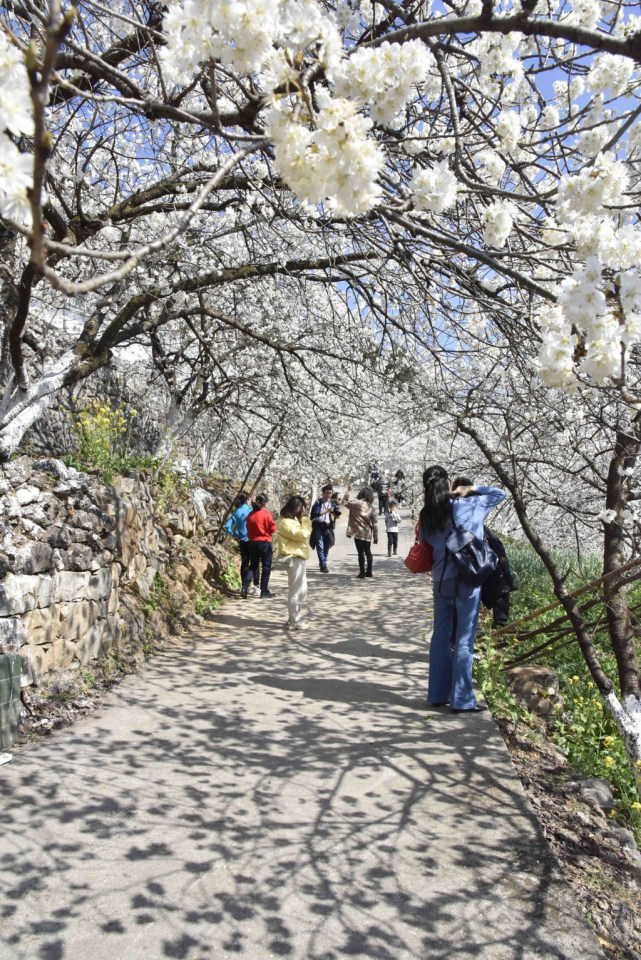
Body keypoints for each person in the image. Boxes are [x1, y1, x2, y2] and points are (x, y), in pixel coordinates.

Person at [419, 466, 506, 712]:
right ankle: (462, 699)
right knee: (464, 640)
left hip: (441, 581)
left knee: (440, 637)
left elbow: (425, 543)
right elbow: (501, 494)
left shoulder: (426, 515)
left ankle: (437, 694)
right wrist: (471, 489)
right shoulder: (469, 505)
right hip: (468, 579)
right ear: (448, 482)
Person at [452, 476, 517, 628]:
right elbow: (500, 494)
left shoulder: (449, 505)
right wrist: (475, 488)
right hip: (477, 561)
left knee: (456, 611)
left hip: (453, 563)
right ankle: (499, 623)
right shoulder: (477, 503)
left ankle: (453, 640)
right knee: (468, 620)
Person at [276, 496, 312, 631]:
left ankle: (295, 616)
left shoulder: (292, 520)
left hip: (299, 557)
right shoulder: (285, 522)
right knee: (296, 590)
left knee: (302, 589)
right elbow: (303, 534)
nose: (304, 511)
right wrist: (306, 518)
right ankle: (293, 620)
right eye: (303, 508)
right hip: (293, 557)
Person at [242, 493, 277, 599]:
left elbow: (248, 528)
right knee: (266, 567)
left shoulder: (250, 515)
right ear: (265, 503)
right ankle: (264, 591)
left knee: (253, 565)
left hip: (252, 543)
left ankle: (245, 585)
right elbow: (273, 528)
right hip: (265, 543)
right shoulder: (266, 513)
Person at [225, 492, 259, 596]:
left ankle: (245, 586)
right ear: (247, 500)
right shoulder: (251, 510)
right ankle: (256, 586)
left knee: (244, 563)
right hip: (253, 540)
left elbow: (227, 526)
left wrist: (235, 535)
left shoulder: (236, 512)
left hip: (243, 541)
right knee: (255, 563)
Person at [345, 487, 378, 579]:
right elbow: (375, 523)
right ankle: (369, 571)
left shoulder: (355, 504)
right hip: (367, 533)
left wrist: (348, 492)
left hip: (357, 532)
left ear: (361, 494)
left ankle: (362, 572)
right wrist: (375, 537)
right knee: (368, 552)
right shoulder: (371, 508)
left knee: (360, 552)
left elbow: (344, 502)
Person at [310, 484, 341, 573]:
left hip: (328, 526)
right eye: (327, 493)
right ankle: (323, 565)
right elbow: (315, 514)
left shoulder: (333, 503)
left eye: (330, 493)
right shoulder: (318, 502)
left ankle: (324, 561)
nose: (328, 495)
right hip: (318, 526)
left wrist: (335, 514)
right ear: (323, 493)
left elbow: (336, 515)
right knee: (320, 545)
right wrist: (327, 511)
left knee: (327, 545)